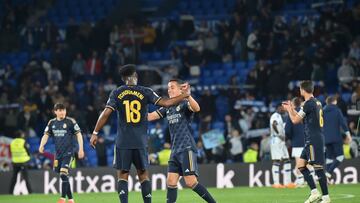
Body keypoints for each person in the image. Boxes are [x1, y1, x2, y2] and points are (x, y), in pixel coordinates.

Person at [90, 65, 190, 203]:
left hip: (123, 141)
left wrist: (95, 132)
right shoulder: (145, 91)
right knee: (143, 174)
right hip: (140, 141)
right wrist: (185, 95)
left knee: (122, 175)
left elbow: (106, 113)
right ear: (135, 76)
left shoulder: (116, 93)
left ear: (124, 79)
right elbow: (167, 103)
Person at [148, 79, 216, 203]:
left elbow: (196, 108)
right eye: (168, 88)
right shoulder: (168, 106)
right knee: (171, 182)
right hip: (175, 150)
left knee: (191, 182)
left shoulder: (185, 103)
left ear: (180, 89)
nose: (169, 90)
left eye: (172, 87)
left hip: (186, 148)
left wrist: (188, 96)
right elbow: (150, 116)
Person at [283, 81, 330, 203]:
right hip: (312, 138)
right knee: (301, 166)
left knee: (318, 167)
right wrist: (292, 109)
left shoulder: (308, 104)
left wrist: (288, 110)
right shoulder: (317, 102)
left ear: (302, 90)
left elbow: (294, 120)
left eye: (300, 89)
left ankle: (326, 198)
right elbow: (299, 117)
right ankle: (314, 192)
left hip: (314, 140)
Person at [39, 103, 84, 203]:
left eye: (63, 110)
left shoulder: (70, 122)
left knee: (63, 174)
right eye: (60, 110)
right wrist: (41, 145)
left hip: (68, 153)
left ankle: (62, 198)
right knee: (63, 176)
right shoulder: (51, 123)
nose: (62, 112)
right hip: (58, 154)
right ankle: (71, 200)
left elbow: (79, 135)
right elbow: (45, 135)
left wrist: (81, 149)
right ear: (55, 112)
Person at [323, 96, 352, 182]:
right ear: (334, 102)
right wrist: (348, 135)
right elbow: (343, 123)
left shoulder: (322, 111)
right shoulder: (337, 110)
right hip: (336, 138)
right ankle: (328, 172)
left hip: (326, 138)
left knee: (329, 158)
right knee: (340, 156)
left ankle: (326, 180)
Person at [270, 103, 294, 188]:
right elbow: (274, 124)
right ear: (278, 108)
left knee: (287, 160)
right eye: (282, 108)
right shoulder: (275, 116)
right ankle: (276, 183)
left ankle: (288, 182)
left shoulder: (281, 116)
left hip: (281, 141)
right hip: (276, 140)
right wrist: (279, 134)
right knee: (277, 160)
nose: (283, 109)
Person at [285, 97, 307, 187]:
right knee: (307, 163)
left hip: (297, 142)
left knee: (299, 164)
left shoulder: (291, 114)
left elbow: (287, 130)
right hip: (307, 141)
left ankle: (300, 181)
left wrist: (290, 138)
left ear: (293, 104)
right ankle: (309, 179)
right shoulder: (305, 113)